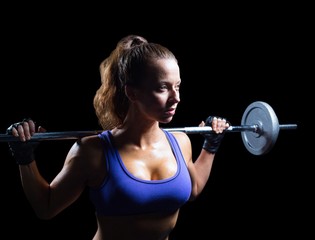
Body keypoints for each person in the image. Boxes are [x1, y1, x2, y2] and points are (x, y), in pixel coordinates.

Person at [6, 34, 229, 240]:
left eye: (177, 86)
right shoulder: (92, 151)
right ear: (131, 92)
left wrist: (211, 145)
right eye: (163, 88)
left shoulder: (180, 142)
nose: (176, 98)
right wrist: (25, 157)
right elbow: (46, 207)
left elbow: (194, 188)